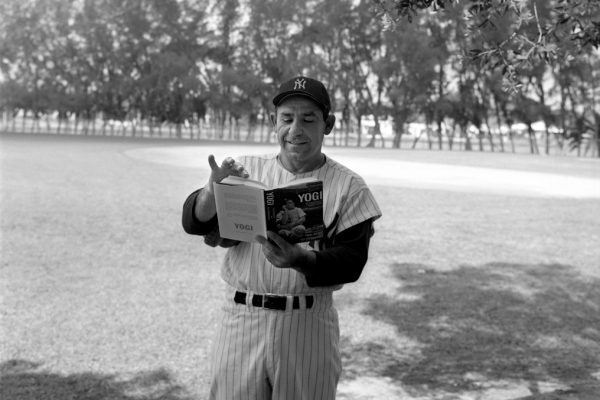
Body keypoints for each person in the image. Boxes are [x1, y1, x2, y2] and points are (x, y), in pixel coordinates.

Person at [182, 76, 382, 400]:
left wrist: (301, 260)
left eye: (308, 119)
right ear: (274, 122)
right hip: (242, 319)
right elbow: (194, 222)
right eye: (287, 119)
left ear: (328, 124)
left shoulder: (349, 186)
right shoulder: (246, 170)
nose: (295, 130)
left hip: (308, 324)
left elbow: (352, 261)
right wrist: (211, 189)